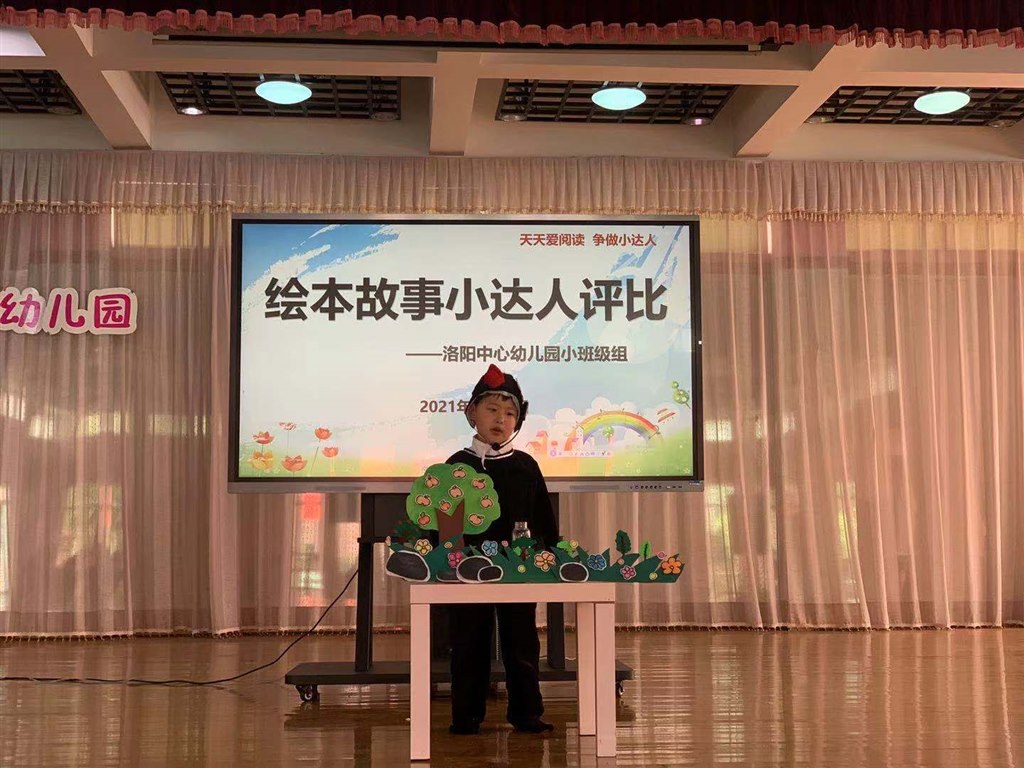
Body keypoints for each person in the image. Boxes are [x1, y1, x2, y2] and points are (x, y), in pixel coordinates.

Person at [445, 364, 558, 735]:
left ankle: (527, 712)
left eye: (510, 413)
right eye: (492, 410)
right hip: (467, 573)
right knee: (468, 641)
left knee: (522, 640)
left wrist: (550, 554)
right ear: (472, 413)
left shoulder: (526, 466)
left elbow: (544, 519)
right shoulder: (457, 465)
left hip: (518, 570)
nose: (500, 419)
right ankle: (466, 715)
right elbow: (444, 523)